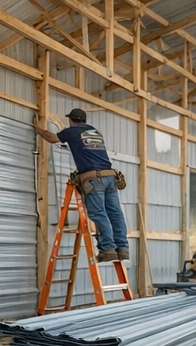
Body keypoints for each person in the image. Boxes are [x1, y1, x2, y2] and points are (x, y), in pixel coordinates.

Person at [34, 108, 129, 262]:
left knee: (99, 213)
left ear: (71, 120)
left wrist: (38, 129)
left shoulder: (72, 131)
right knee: (115, 213)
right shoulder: (95, 132)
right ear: (84, 120)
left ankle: (108, 249)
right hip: (110, 177)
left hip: (94, 178)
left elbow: (52, 138)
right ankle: (123, 247)